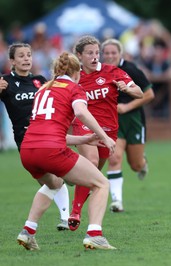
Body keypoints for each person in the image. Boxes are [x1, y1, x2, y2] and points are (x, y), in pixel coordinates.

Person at [17, 52, 117, 250]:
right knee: (101, 184)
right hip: (51, 150)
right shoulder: (74, 88)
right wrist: (104, 136)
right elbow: (81, 112)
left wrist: (85, 138)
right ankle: (95, 234)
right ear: (76, 72)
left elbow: (47, 130)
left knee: (54, 183)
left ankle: (28, 231)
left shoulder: (43, 89)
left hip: (27, 150)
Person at [68, 35, 143, 230]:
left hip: (109, 130)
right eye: (89, 53)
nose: (95, 57)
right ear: (79, 55)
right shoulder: (74, 77)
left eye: (96, 53)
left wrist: (127, 88)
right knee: (91, 163)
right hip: (84, 127)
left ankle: (71, 177)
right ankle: (75, 212)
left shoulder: (113, 72)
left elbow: (140, 93)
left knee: (93, 173)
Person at [0, 42, 70, 230]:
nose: (26, 59)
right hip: (24, 141)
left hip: (48, 135)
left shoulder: (40, 80)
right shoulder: (5, 82)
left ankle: (66, 218)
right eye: (21, 56)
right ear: (12, 61)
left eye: (29, 55)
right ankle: (71, 177)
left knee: (55, 179)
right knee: (52, 181)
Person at [101, 38, 155, 212]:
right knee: (115, 158)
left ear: (120, 53)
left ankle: (142, 163)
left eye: (113, 53)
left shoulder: (131, 69)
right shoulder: (99, 72)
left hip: (133, 120)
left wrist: (127, 107)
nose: (110, 56)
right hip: (112, 122)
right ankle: (117, 201)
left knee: (135, 165)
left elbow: (149, 94)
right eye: (107, 53)